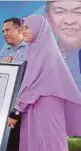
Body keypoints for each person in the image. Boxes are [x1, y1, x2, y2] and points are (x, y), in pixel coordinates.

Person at [8, 15, 81, 151]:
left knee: (48, 146)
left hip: (46, 110)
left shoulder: (47, 54)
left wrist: (16, 111)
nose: (23, 31)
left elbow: (34, 86)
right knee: (35, 146)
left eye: (27, 27)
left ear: (38, 29)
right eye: (22, 27)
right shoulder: (34, 50)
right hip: (34, 108)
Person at [45, 0, 81, 136]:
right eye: (60, 11)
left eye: (78, 12)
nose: (69, 21)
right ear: (48, 18)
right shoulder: (43, 55)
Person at [0, 17, 27, 151]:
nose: (4, 34)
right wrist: (1, 65)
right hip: (4, 105)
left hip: (23, 106)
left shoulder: (31, 49)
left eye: (8, 30)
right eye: (3, 31)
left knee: (19, 143)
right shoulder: (5, 48)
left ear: (19, 29)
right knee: (5, 143)